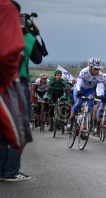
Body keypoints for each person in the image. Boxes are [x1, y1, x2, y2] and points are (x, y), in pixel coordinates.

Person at [0, 0, 32, 182]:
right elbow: (34, 55)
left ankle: (2, 170)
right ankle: (11, 171)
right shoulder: (19, 33)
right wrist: (33, 34)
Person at [67, 58, 102, 131]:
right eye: (95, 69)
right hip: (80, 89)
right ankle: (71, 119)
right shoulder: (84, 71)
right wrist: (79, 91)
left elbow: (100, 86)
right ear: (90, 67)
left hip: (89, 91)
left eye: (98, 69)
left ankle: (84, 127)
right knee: (78, 104)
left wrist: (100, 94)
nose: (97, 71)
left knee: (88, 108)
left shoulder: (100, 74)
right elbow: (79, 83)